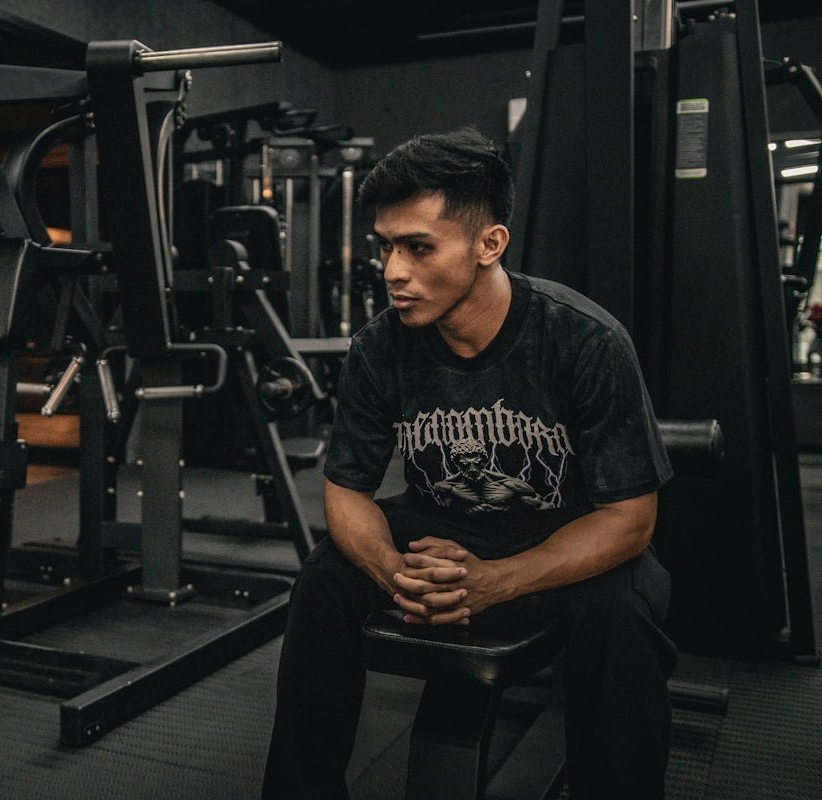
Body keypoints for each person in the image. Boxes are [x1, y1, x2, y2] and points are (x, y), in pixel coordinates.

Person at [262, 128, 678, 800]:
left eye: (418, 247)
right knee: (325, 578)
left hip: (562, 534)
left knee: (623, 608)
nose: (394, 270)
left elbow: (630, 518)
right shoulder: (379, 348)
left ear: (489, 245)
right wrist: (393, 572)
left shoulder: (584, 340)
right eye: (386, 247)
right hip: (438, 529)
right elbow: (345, 492)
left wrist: (499, 581)